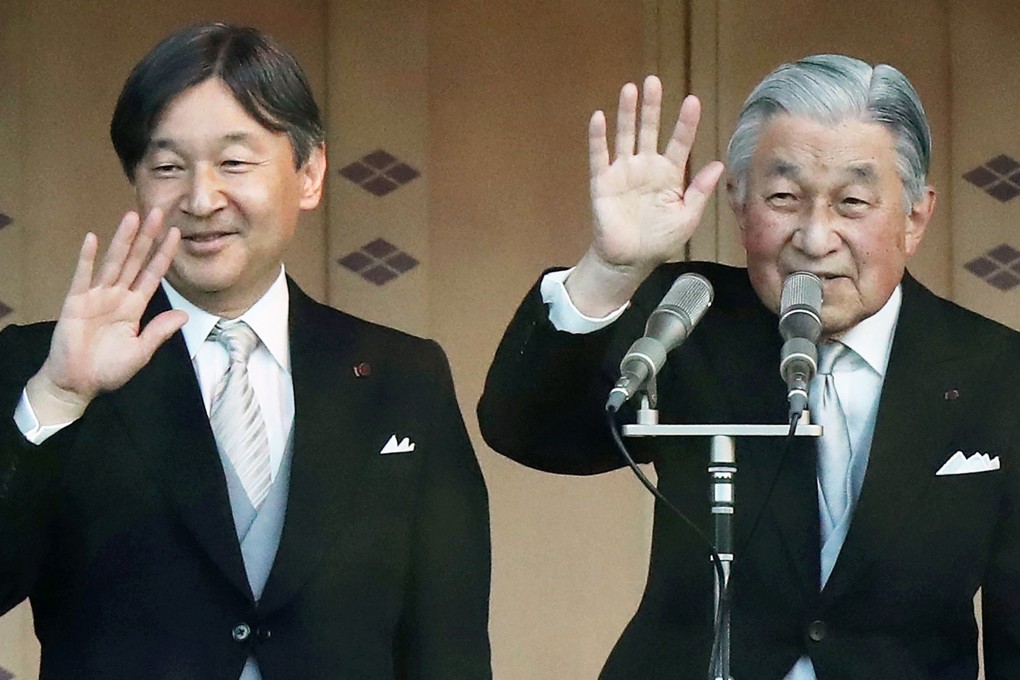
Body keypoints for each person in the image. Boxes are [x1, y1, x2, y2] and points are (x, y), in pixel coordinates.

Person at [478, 55, 1020, 680]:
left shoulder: (995, 373)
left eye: (852, 202)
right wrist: (610, 268)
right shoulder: (689, 317)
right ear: (738, 203)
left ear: (916, 217)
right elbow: (526, 429)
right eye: (784, 198)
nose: (815, 239)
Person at [0, 22, 491, 680]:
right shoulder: (45, 369)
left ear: (309, 173)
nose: (202, 200)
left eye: (234, 162)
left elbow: (448, 643)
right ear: (137, 184)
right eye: (168, 167)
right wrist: (59, 399)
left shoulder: (404, 379)